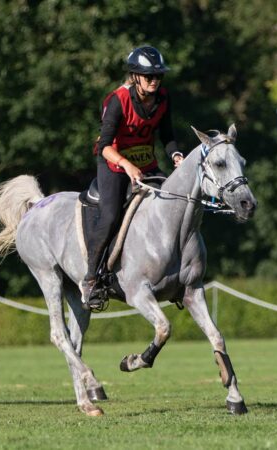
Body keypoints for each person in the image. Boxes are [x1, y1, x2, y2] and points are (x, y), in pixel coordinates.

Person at [80, 46, 184, 309]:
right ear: (134, 76)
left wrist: (175, 156)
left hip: (146, 163)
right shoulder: (118, 100)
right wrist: (126, 165)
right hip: (114, 163)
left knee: (174, 203)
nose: (154, 81)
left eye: (158, 76)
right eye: (148, 75)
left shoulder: (163, 98)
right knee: (111, 215)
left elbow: (167, 136)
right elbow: (104, 145)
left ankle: (176, 272)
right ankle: (91, 279)